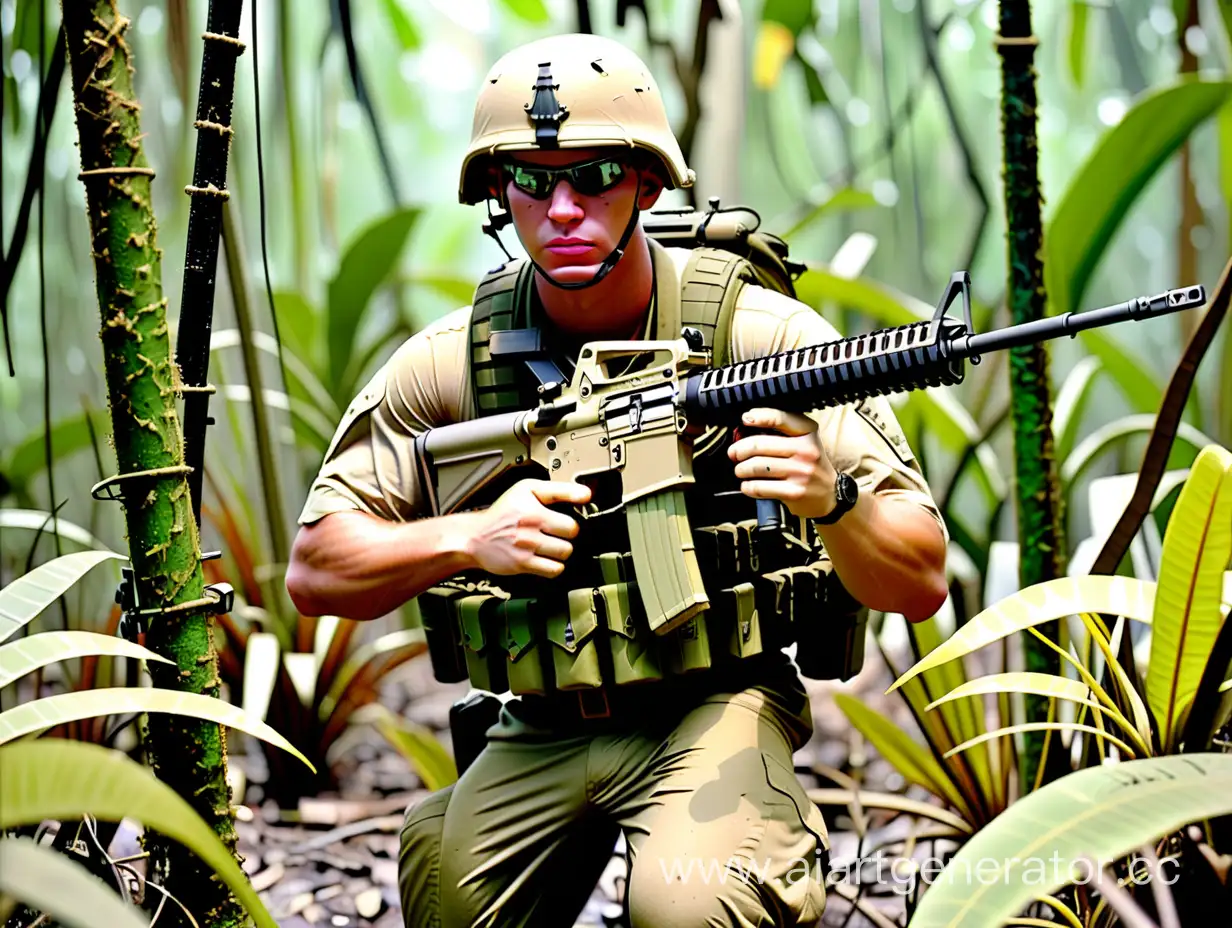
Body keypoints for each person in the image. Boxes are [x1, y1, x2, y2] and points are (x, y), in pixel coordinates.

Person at [286, 32, 949, 928]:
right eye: (531, 179)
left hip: (712, 702)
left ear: (645, 181)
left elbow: (920, 579)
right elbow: (318, 569)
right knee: (449, 901)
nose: (562, 209)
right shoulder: (452, 365)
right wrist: (469, 538)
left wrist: (831, 497)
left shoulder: (763, 340)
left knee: (687, 907)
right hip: (547, 714)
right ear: (496, 193)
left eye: (595, 176)